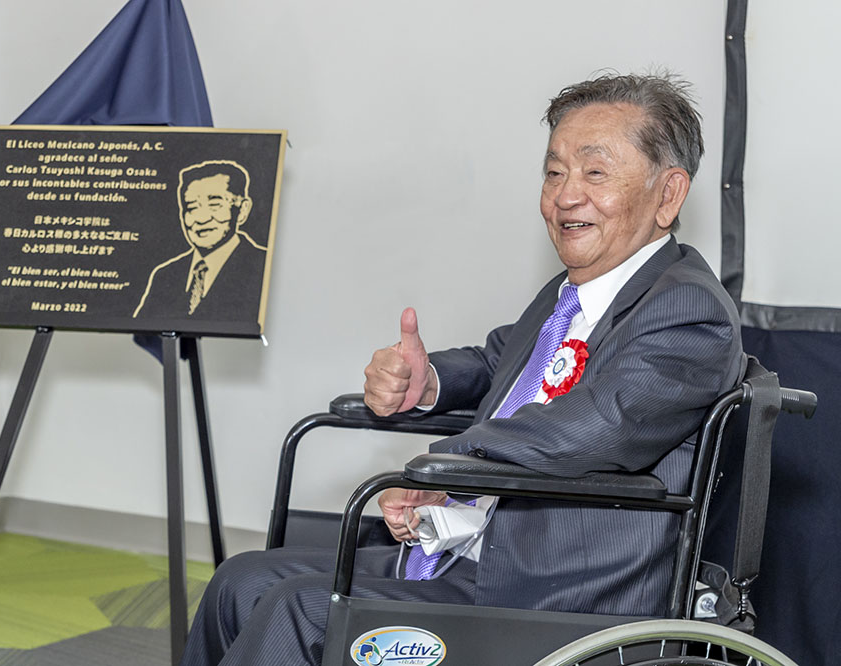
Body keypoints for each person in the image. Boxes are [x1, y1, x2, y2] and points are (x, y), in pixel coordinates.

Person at [180, 73, 746, 666]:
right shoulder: (578, 291)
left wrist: (455, 464)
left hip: (550, 591)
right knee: (239, 583)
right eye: (554, 173)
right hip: (472, 548)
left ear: (669, 194)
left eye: (595, 172)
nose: (565, 196)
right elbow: (501, 360)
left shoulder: (689, 310)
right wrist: (429, 383)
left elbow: (598, 424)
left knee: (296, 611)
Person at [133, 159, 267, 322]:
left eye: (214, 204)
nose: (201, 218)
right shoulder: (165, 276)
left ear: (242, 210)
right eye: (192, 207)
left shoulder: (263, 268)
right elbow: (146, 337)